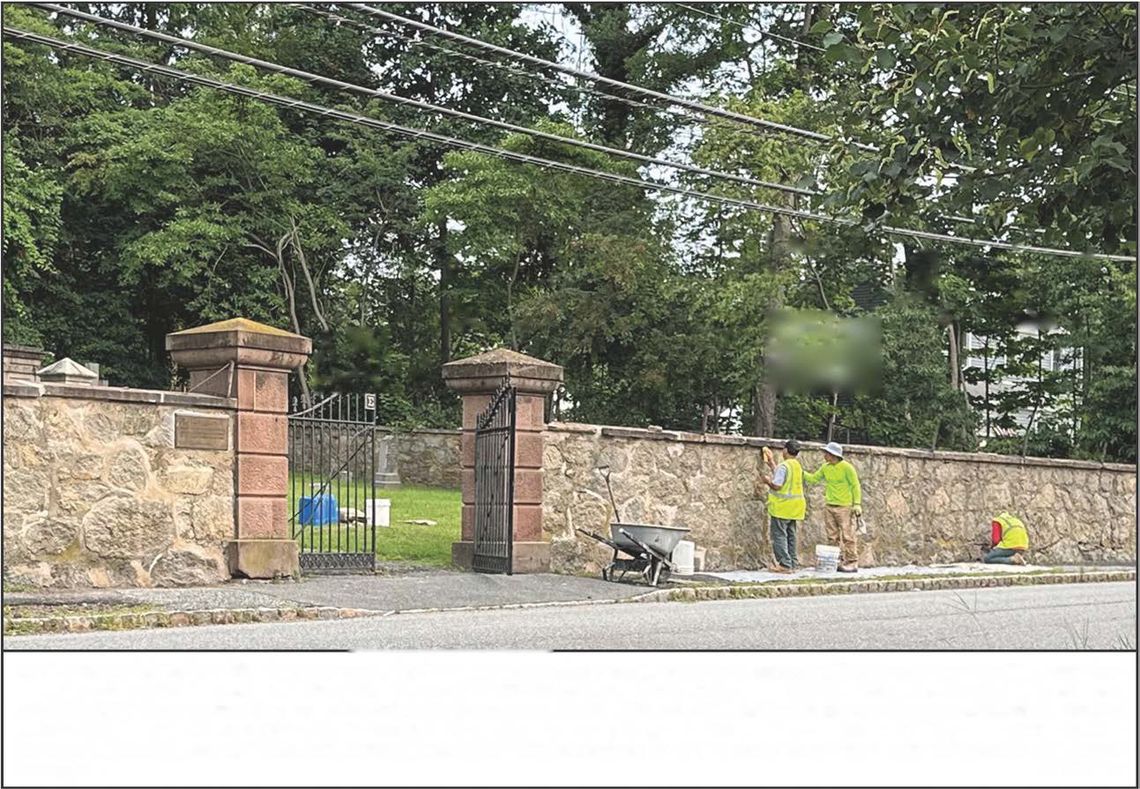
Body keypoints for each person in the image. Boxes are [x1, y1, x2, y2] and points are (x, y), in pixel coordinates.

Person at [804, 441, 862, 573]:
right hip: (830, 505)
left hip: (845, 506)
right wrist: (800, 472)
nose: (824, 455)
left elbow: (855, 485)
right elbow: (814, 478)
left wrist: (857, 504)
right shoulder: (826, 467)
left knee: (848, 536)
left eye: (827, 453)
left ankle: (852, 561)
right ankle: (837, 560)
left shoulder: (847, 468)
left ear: (833, 455)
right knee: (832, 536)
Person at [759, 439, 806, 573]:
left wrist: (767, 481)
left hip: (782, 507)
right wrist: (771, 463)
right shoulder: (796, 465)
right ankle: (792, 562)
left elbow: (778, 485)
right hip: (795, 507)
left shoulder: (784, 466)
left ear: (785, 450)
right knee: (791, 535)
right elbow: (782, 476)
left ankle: (784, 565)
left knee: (779, 535)